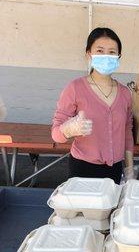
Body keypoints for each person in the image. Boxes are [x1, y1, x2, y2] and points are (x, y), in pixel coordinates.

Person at [52, 27, 134, 184]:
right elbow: (56, 135)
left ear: (118, 57)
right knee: (83, 209)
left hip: (114, 169)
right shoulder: (75, 88)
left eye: (112, 52)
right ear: (89, 54)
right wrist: (68, 129)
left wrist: (129, 170)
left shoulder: (124, 93)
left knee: (109, 208)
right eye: (100, 50)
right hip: (83, 168)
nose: (106, 56)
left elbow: (127, 133)